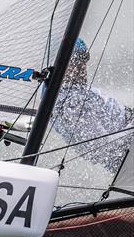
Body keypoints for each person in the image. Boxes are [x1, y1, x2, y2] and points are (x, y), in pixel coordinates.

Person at [52, 38, 133, 172]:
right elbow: (104, 148)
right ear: (57, 63)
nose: (81, 67)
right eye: (74, 61)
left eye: (83, 60)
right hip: (125, 151)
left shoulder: (71, 88)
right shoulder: (69, 104)